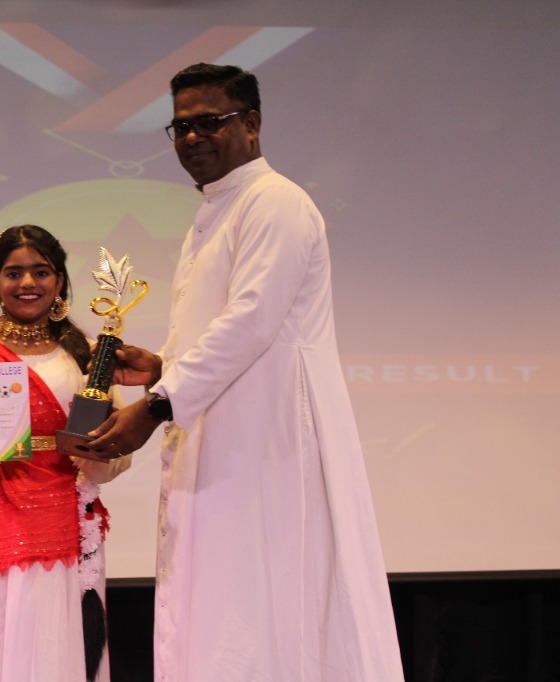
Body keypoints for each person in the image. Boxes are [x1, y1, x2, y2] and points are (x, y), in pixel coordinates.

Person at [86, 64, 405, 681]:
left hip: (272, 443)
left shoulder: (275, 202)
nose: (192, 137)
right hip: (227, 436)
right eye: (181, 126)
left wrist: (156, 406)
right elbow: (228, 329)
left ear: (251, 124)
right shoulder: (216, 212)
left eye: (209, 122)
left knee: (271, 602)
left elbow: (252, 320)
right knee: (227, 604)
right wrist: (162, 368)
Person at [0, 225, 131, 682]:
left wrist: (95, 451)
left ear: (59, 281)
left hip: (63, 529)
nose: (28, 283)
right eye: (13, 273)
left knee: (55, 652)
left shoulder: (86, 358)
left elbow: (117, 451)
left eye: (41, 271)